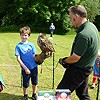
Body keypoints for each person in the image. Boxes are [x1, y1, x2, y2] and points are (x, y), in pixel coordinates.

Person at [57, 5, 99, 100]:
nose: (70, 19)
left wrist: (64, 61)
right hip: (86, 68)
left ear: (76, 16)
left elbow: (75, 58)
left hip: (79, 69)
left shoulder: (84, 34)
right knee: (82, 94)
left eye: (70, 17)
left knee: (61, 93)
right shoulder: (91, 26)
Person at [15, 26, 38, 100]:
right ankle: (25, 95)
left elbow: (34, 55)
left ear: (28, 36)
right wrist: (25, 68)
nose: (24, 37)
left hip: (34, 67)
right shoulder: (18, 46)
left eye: (26, 35)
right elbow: (18, 59)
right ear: (20, 35)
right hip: (25, 68)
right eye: (22, 35)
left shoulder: (31, 45)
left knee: (35, 82)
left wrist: (41, 58)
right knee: (26, 84)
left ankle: (34, 94)